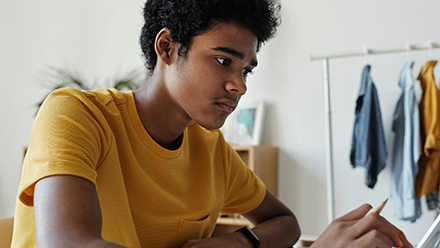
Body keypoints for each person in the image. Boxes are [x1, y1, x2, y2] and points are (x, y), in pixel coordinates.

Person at [11, 0, 412, 248]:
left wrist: (239, 243)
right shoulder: (77, 114)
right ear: (167, 48)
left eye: (246, 70)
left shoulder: (209, 148)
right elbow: (69, 244)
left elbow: (285, 224)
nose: (239, 86)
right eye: (223, 60)